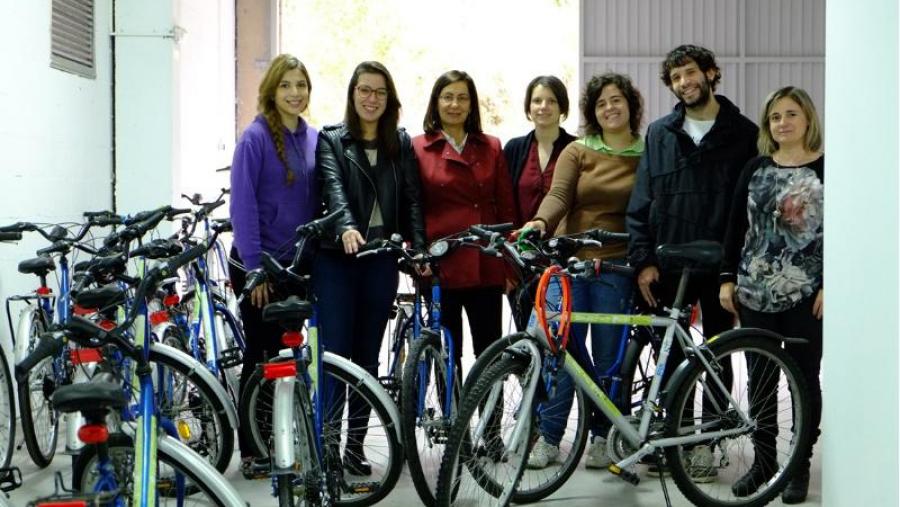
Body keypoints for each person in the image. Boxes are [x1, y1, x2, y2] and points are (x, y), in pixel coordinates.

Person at [626, 44, 758, 482]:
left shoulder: (744, 134)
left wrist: (734, 271)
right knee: (669, 354)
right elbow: (641, 201)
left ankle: (707, 443)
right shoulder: (660, 134)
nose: (684, 83)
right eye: (676, 77)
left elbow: (749, 211)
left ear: (711, 73)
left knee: (717, 355)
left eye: (690, 72)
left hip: (720, 266)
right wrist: (643, 260)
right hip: (669, 266)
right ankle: (672, 440)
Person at [520, 73, 644, 470]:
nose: (610, 108)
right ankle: (550, 437)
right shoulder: (577, 150)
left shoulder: (647, 153)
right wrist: (540, 222)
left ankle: (603, 436)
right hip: (570, 262)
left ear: (630, 105)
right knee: (560, 353)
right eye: (601, 103)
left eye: (616, 100)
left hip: (616, 265)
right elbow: (559, 194)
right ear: (592, 111)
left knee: (608, 358)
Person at [314, 61, 426, 475]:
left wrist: (419, 249)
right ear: (353, 93)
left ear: (389, 98)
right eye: (364, 90)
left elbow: (412, 198)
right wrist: (345, 226)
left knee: (366, 359)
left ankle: (355, 448)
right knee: (335, 357)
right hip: (337, 260)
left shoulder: (400, 142)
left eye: (379, 91)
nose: (371, 98)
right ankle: (328, 447)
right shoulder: (332, 139)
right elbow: (334, 189)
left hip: (380, 259)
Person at [719, 86, 823, 504]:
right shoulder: (755, 168)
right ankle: (763, 462)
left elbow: (846, 230)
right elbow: (734, 227)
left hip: (806, 293)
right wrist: (727, 277)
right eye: (775, 116)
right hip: (754, 290)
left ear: (808, 118)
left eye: (791, 114)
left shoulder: (827, 168)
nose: (783, 122)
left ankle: (798, 465)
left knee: (804, 379)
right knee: (761, 379)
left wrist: (832, 284)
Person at [228, 54, 318, 478]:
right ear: (271, 90)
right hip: (258, 266)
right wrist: (255, 269)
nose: (294, 93)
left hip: (295, 267)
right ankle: (253, 448)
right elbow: (242, 207)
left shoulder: (313, 138)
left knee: (289, 356)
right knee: (261, 355)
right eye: (286, 85)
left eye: (300, 85)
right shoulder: (255, 138)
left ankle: (281, 440)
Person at [412, 70, 515, 373]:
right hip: (439, 264)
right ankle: (452, 407)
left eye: (462, 98)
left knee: (490, 353)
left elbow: (506, 210)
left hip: (485, 262)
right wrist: (417, 252)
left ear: (471, 105)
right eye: (447, 97)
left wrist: (510, 265)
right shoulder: (417, 147)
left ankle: (491, 407)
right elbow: (411, 207)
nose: (454, 105)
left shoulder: (491, 146)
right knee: (446, 355)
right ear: (436, 102)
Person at [503, 75, 576, 330]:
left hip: (563, 259)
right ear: (528, 107)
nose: (543, 107)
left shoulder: (576, 148)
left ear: (562, 107)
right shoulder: (514, 149)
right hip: (521, 259)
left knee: (559, 334)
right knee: (526, 334)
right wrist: (507, 264)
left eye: (551, 101)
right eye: (537, 101)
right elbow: (504, 203)